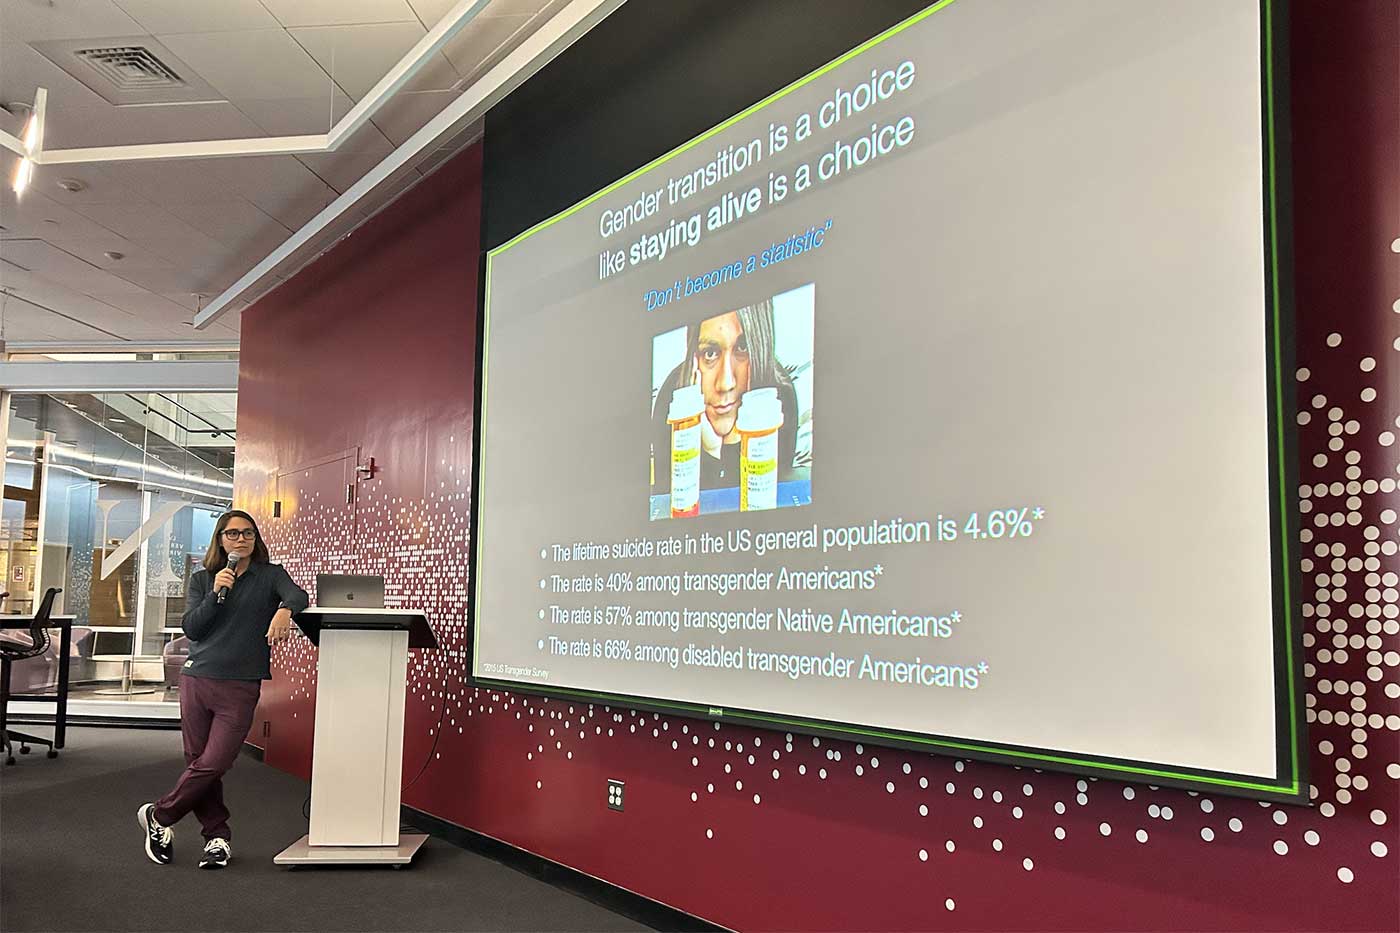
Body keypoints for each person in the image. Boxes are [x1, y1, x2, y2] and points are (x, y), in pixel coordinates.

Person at [137, 510, 307, 869]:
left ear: (255, 539)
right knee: (198, 762)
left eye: (247, 533)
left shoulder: (270, 576)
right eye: (232, 534)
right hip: (197, 680)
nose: (240, 539)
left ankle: (160, 816)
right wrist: (216, 593)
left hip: (241, 685)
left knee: (215, 762)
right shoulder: (203, 579)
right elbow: (193, 629)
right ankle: (216, 838)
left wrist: (284, 611)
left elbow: (299, 595)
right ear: (220, 540)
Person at [652, 298, 798, 495]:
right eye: (710, 353)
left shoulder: (780, 398)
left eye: (743, 348)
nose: (726, 383)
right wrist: (712, 451)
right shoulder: (672, 401)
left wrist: (734, 445)